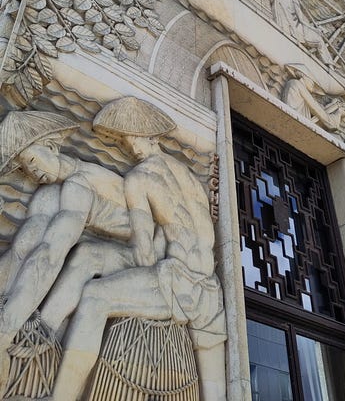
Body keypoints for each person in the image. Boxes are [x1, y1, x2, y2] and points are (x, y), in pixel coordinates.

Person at [49, 96, 226, 401]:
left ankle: (59, 396)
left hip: (178, 284)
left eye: (132, 138)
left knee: (93, 296)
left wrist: (103, 243)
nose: (131, 147)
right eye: (126, 140)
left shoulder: (138, 178)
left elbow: (143, 255)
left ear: (151, 136)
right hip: (210, 292)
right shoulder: (192, 179)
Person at [0, 109, 134, 395]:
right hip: (102, 234)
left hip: (144, 248)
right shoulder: (52, 192)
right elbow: (22, 251)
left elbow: (50, 254)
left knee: (84, 255)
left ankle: (40, 332)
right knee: (39, 221)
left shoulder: (80, 183)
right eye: (24, 167)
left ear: (50, 146)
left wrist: (6, 332)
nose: (31, 171)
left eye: (32, 160)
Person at [282, 63, 344, 131]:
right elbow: (314, 107)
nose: (313, 86)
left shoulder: (292, 83)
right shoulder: (298, 84)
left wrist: (332, 105)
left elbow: (316, 106)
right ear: (304, 76)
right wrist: (335, 118)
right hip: (294, 122)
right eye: (312, 82)